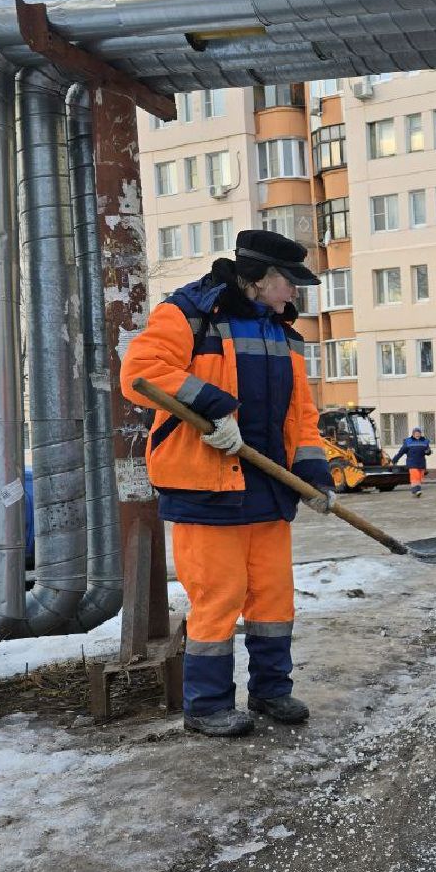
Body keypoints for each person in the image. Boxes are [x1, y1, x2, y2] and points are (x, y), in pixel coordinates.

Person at [123, 230, 337, 738]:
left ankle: (271, 690)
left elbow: (300, 414)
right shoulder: (189, 313)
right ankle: (207, 705)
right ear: (259, 279)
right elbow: (140, 371)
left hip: (269, 488)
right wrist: (212, 406)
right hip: (207, 489)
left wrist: (313, 472)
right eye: (288, 283)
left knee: (273, 598)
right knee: (218, 599)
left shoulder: (283, 333)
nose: (294, 295)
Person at [392, 426, 432, 497]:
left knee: (419, 478)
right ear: (413, 434)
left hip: (421, 463)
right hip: (412, 462)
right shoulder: (408, 441)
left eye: (418, 432)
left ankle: (417, 491)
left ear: (420, 434)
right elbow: (401, 452)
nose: (417, 434)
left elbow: (428, 452)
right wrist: (395, 460)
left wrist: (428, 452)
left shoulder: (425, 441)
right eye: (416, 433)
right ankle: (416, 490)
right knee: (415, 476)